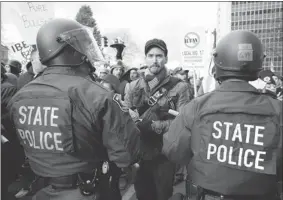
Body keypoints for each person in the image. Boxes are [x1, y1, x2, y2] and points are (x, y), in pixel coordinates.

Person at [7, 18, 141, 200]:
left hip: (39, 190)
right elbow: (126, 154)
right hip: (87, 190)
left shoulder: (20, 97)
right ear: (67, 49)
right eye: (80, 44)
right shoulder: (96, 95)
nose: (86, 50)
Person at [163, 30, 282, 200]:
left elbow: (173, 150)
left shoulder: (197, 107)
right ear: (258, 62)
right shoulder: (277, 109)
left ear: (218, 62)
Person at [124, 38, 191, 200]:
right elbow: (124, 118)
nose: (155, 60)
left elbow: (183, 122)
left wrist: (153, 125)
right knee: (142, 194)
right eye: (151, 55)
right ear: (145, 58)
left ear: (166, 59)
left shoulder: (180, 86)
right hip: (140, 151)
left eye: (159, 56)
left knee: (163, 195)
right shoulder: (133, 86)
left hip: (164, 153)